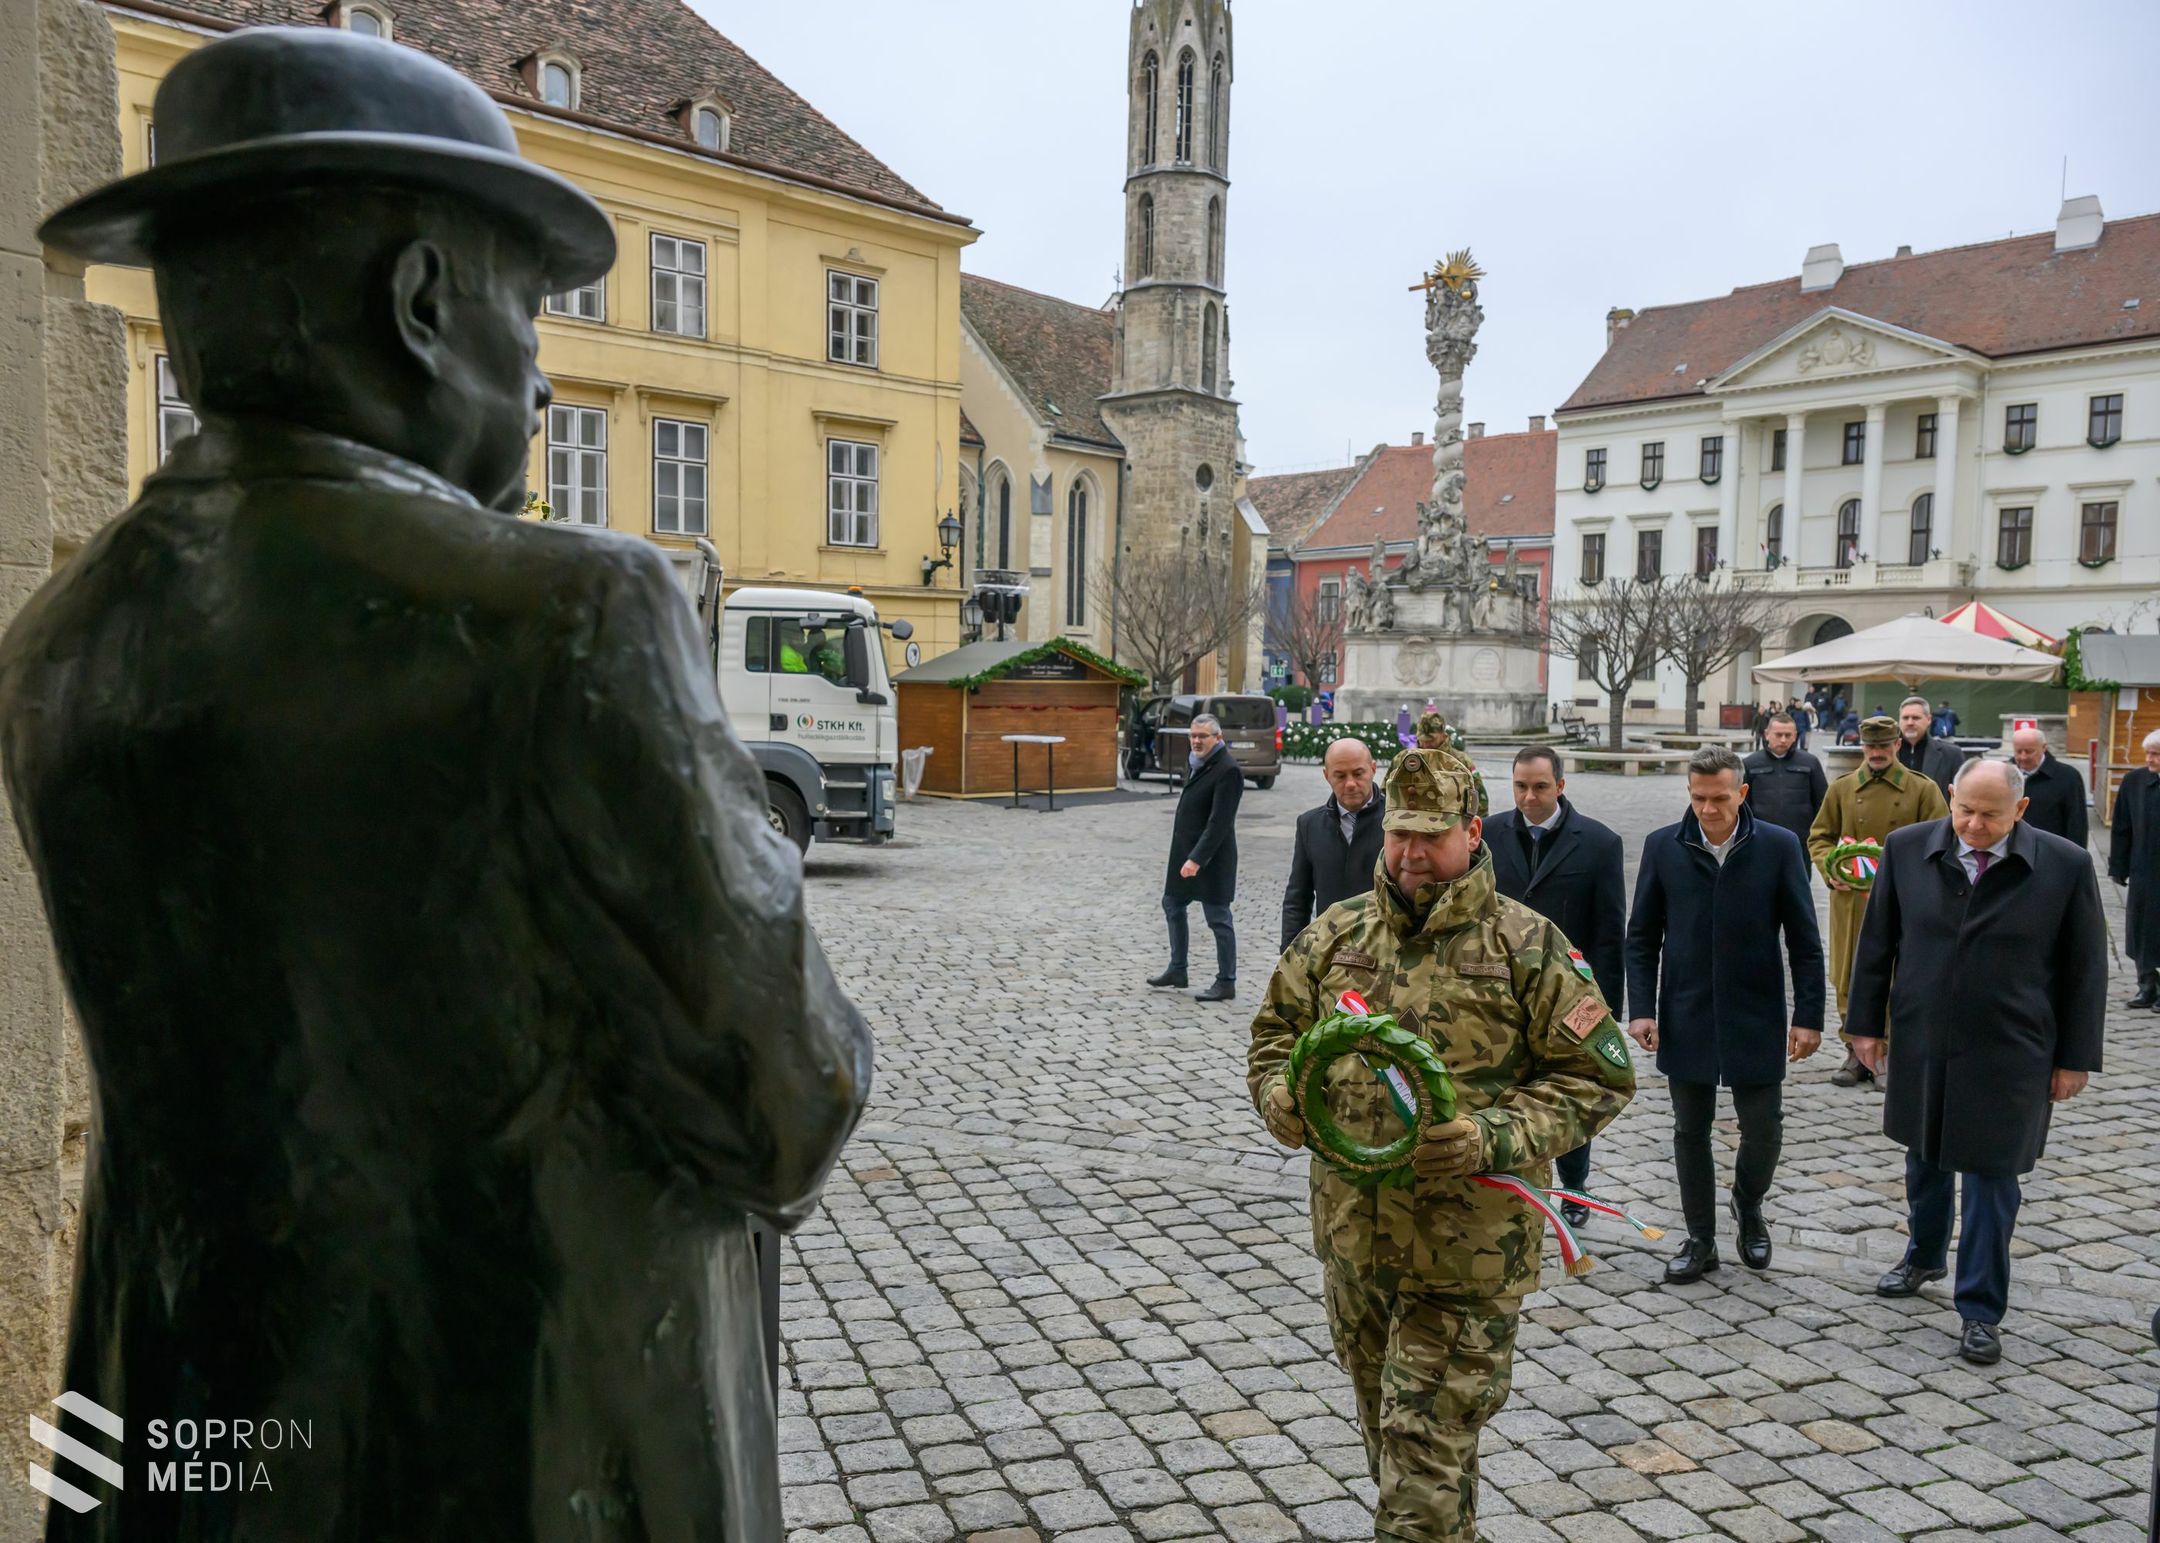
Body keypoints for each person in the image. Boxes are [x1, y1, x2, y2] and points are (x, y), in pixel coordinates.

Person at [4, 28, 873, 1538]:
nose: (544, 378)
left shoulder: (56, 646)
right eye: (526, 312)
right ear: (415, 303)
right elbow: (783, 1097)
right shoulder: (568, 616)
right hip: (522, 1454)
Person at [1247, 747, 1633, 1543]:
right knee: (1395, 1448)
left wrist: (1494, 1134)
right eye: (1398, 835)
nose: (1410, 854)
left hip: (1469, 1254)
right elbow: (1275, 1034)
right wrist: (1280, 1095)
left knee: (1419, 1463)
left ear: (1470, 830)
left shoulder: (1528, 946)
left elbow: (1598, 1076)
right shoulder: (1338, 934)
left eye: (1430, 836)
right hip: (1356, 1242)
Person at [1849, 759, 2105, 1364]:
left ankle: (1981, 1309)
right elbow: (1877, 942)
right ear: (1950, 797)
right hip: (1924, 1038)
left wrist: (2075, 1059)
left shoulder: (2064, 865)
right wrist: (1864, 1025)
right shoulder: (1908, 849)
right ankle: (1923, 1254)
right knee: (1925, 1158)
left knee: (1993, 1181)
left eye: (1990, 814)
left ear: (2021, 810)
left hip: (2013, 1050)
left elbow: (2084, 970)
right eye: (1964, 808)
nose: (1974, 824)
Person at [1627, 747, 1825, 1282]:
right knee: (1690, 1128)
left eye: (1718, 798)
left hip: (1754, 1008)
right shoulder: (1663, 846)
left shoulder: (1780, 847)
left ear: (1741, 792)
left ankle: (1748, 1201)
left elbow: (1805, 941)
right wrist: (1641, 1008)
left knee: (1764, 1126)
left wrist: (1809, 1014)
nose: (1708, 809)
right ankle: (1701, 1238)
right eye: (1698, 798)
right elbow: (1642, 937)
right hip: (1686, 1008)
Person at [1484, 746, 1626, 1225]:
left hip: (1569, 992)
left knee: (1569, 1087)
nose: (1529, 796)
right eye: (1521, 786)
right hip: (1500, 985)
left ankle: (1576, 1186)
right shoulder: (1487, 833)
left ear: (1560, 786)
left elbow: (1611, 931)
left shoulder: (1600, 843)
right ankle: (1513, 1176)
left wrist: (1608, 1005)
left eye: (1540, 787)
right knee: (1508, 1082)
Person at [1809, 716, 1949, 1086]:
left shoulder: (1923, 790)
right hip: (1851, 903)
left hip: (1903, 902)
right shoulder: (1841, 789)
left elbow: (1941, 843)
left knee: (1895, 973)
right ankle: (1855, 1051)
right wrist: (1831, 869)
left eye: (1884, 746)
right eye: (1870, 747)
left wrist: (1914, 883)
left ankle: (1886, 1052)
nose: (1876, 753)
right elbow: (1819, 837)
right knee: (1848, 973)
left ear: (1897, 746)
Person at [1153, 713, 1243, 1001]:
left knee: (1218, 918)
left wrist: (1196, 860)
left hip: (1212, 859)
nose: (1196, 741)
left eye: (1202, 736)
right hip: (1186, 853)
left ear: (1218, 738)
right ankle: (1178, 968)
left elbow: (1219, 823)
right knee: (1172, 904)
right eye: (1192, 735)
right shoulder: (1197, 764)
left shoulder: (1227, 769)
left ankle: (1226, 981)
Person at [1280, 737, 1386, 953]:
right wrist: (1289, 955)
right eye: (1340, 775)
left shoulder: (1397, 822)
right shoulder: (1309, 825)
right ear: (1326, 775)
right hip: (1331, 950)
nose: (1350, 784)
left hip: (1385, 951)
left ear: (1373, 769)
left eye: (1358, 773)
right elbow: (1297, 898)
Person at [2110, 728, 2160, 1008]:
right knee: (2141, 930)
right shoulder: (2135, 782)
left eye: (2156, 754)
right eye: (2148, 753)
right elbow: (2121, 828)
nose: (2150, 759)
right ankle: (2147, 985)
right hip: (2143, 869)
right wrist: (2118, 865)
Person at [1741, 711, 1828, 848]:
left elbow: (1822, 801)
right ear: (1767, 734)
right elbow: (1742, 803)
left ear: (1795, 736)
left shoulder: (1810, 763)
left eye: (1788, 735)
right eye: (1778, 735)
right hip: (1760, 839)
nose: (1783, 740)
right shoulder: (1750, 764)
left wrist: (1817, 834)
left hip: (1800, 839)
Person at [2011, 726, 2088, 848]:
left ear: (2044, 748)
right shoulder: (2003, 774)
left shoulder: (2068, 777)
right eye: (2018, 752)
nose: (2023, 757)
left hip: (2051, 851)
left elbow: (2076, 824)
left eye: (2029, 751)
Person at [1896, 694, 1963, 793]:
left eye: (1915, 718)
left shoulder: (1952, 755)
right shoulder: (1885, 753)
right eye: (1905, 718)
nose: (1910, 722)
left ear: (1929, 719)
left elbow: (1960, 794)